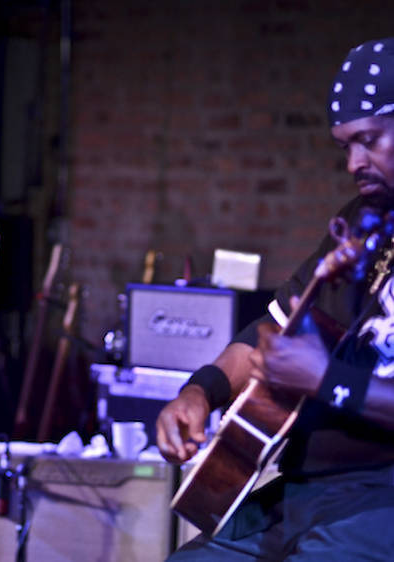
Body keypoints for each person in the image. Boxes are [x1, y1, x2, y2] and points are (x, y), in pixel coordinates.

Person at [157, 38, 394, 560]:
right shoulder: (361, 221)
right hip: (303, 491)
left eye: (370, 140)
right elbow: (269, 330)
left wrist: (325, 380)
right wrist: (199, 392)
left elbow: (318, 374)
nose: (355, 162)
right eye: (345, 146)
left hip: (381, 497)